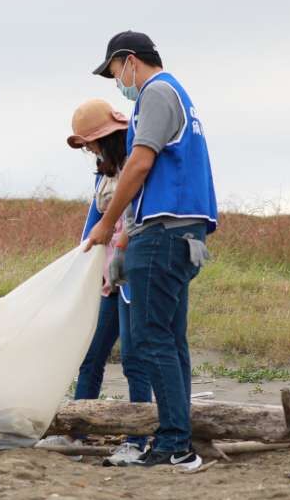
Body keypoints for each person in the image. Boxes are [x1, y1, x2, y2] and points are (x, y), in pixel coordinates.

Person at [84, 31, 217, 470]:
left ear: (129, 61)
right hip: (187, 232)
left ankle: (175, 443)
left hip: (164, 230)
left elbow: (140, 162)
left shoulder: (156, 93)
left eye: (114, 72)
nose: (117, 82)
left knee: (149, 338)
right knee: (171, 339)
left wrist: (107, 224)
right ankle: (179, 436)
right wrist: (125, 235)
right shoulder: (180, 95)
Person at [66, 98, 152, 466]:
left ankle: (138, 439)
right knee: (91, 355)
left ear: (107, 136)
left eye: (90, 142)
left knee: (135, 359)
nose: (89, 149)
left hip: (134, 275)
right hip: (109, 278)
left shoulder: (137, 165)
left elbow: (141, 218)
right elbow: (94, 223)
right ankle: (77, 431)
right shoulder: (103, 173)